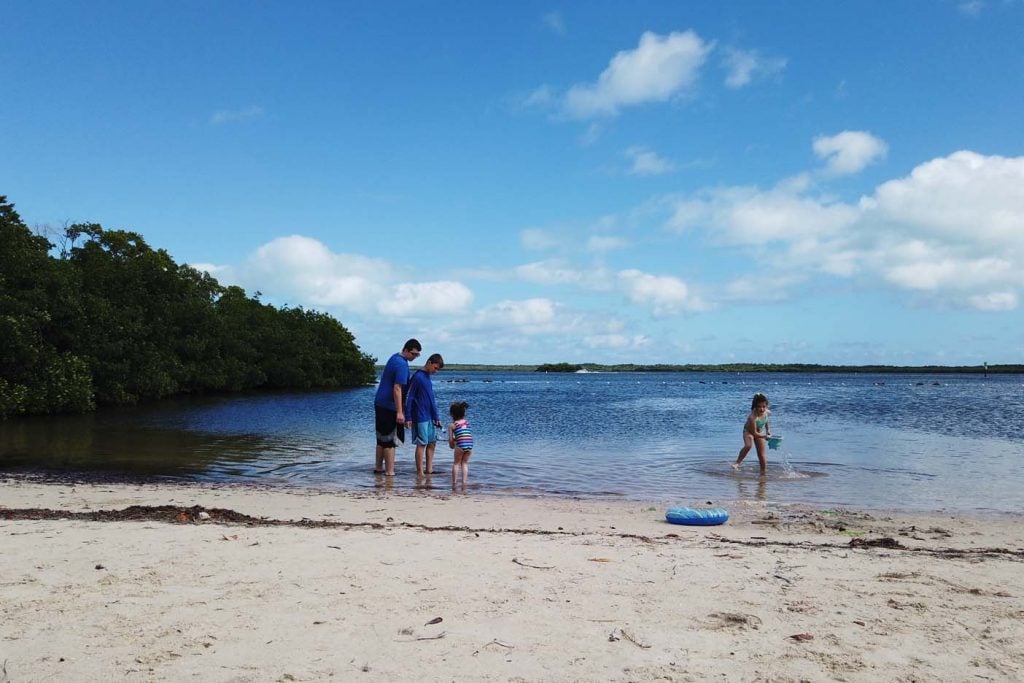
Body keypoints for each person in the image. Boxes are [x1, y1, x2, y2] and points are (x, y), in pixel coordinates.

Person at [374, 338, 422, 476]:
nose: (415, 357)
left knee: (381, 439)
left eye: (417, 355)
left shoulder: (394, 358)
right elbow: (397, 388)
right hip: (389, 406)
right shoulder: (401, 364)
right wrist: (400, 412)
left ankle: (378, 469)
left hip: (380, 402)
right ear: (406, 350)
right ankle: (390, 472)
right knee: (390, 440)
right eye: (413, 354)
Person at [405, 353, 444, 476]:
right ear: (429, 362)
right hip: (419, 416)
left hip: (430, 417)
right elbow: (409, 397)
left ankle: (429, 469)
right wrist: (408, 417)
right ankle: (420, 472)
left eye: (438, 369)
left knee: (432, 443)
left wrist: (436, 416)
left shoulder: (427, 377)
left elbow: (431, 398)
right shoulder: (417, 377)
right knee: (421, 443)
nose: (436, 371)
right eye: (435, 368)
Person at [732, 392, 770, 475]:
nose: (762, 409)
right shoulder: (752, 417)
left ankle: (763, 472)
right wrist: (764, 436)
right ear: (755, 407)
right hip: (749, 431)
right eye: (759, 407)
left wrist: (768, 431)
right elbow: (754, 433)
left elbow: (766, 422)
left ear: (766, 406)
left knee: (762, 454)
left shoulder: (767, 412)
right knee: (748, 445)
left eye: (764, 406)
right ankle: (737, 463)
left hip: (759, 431)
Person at [446, 400, 473, 489]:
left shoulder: (452, 425)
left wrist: (452, 445)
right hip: (469, 445)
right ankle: (464, 482)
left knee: (456, 463)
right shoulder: (466, 423)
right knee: (464, 463)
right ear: (463, 414)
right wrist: (455, 439)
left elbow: (451, 441)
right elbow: (464, 434)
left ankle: (454, 483)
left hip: (460, 445)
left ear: (452, 415)